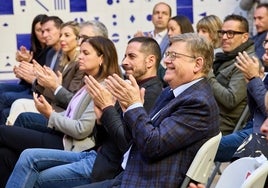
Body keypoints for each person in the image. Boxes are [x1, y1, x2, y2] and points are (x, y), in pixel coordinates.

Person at [6, 36, 163, 187]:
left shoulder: (150, 92)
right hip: (94, 153)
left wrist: (107, 110)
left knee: (36, 175)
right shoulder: (127, 85)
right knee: (23, 153)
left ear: (150, 61)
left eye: (131, 57)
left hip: (103, 163)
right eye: (125, 56)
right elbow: (104, 134)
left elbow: (127, 144)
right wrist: (101, 120)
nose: (124, 62)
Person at [77, 33, 220, 187]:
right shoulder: (172, 92)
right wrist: (124, 111)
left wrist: (134, 106)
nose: (166, 61)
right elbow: (135, 139)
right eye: (167, 54)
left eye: (174, 56)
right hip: (131, 174)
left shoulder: (198, 102)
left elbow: (152, 145)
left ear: (197, 64)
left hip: (146, 181)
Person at [6, 20, 109, 129]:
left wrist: (52, 86)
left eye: (86, 38)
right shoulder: (64, 59)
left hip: (65, 118)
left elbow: (76, 110)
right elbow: (63, 95)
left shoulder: (87, 67)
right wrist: (41, 81)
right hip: (59, 110)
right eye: (80, 38)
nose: (81, 43)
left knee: (18, 115)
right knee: (16, 108)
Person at [215, 33, 267, 162]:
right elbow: (255, 110)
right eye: (265, 42)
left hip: (259, 134)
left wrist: (254, 80)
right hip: (253, 128)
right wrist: (253, 82)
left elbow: (266, 109)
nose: (266, 46)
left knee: (203, 149)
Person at [208, 14, 255, 135]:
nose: (224, 37)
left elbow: (230, 100)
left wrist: (207, 74)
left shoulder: (246, 61)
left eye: (230, 33)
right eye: (222, 32)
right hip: (210, 115)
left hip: (222, 125)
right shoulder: (227, 57)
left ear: (244, 37)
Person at [0, 14, 49, 124]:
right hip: (29, 87)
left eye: (46, 30)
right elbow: (31, 74)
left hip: (38, 92)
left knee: (4, 98)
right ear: (33, 32)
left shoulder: (52, 51)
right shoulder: (36, 48)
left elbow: (41, 75)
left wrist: (28, 66)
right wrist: (22, 68)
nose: (43, 34)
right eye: (39, 30)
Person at [134, 2, 171, 85]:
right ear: (152, 17)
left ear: (169, 18)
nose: (160, 16)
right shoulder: (143, 37)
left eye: (164, 13)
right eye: (157, 13)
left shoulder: (172, 39)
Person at [158, 14, 194, 86]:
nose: (169, 33)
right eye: (168, 30)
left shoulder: (191, 50)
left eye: (172, 29)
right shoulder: (168, 46)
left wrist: (156, 65)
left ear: (183, 30)